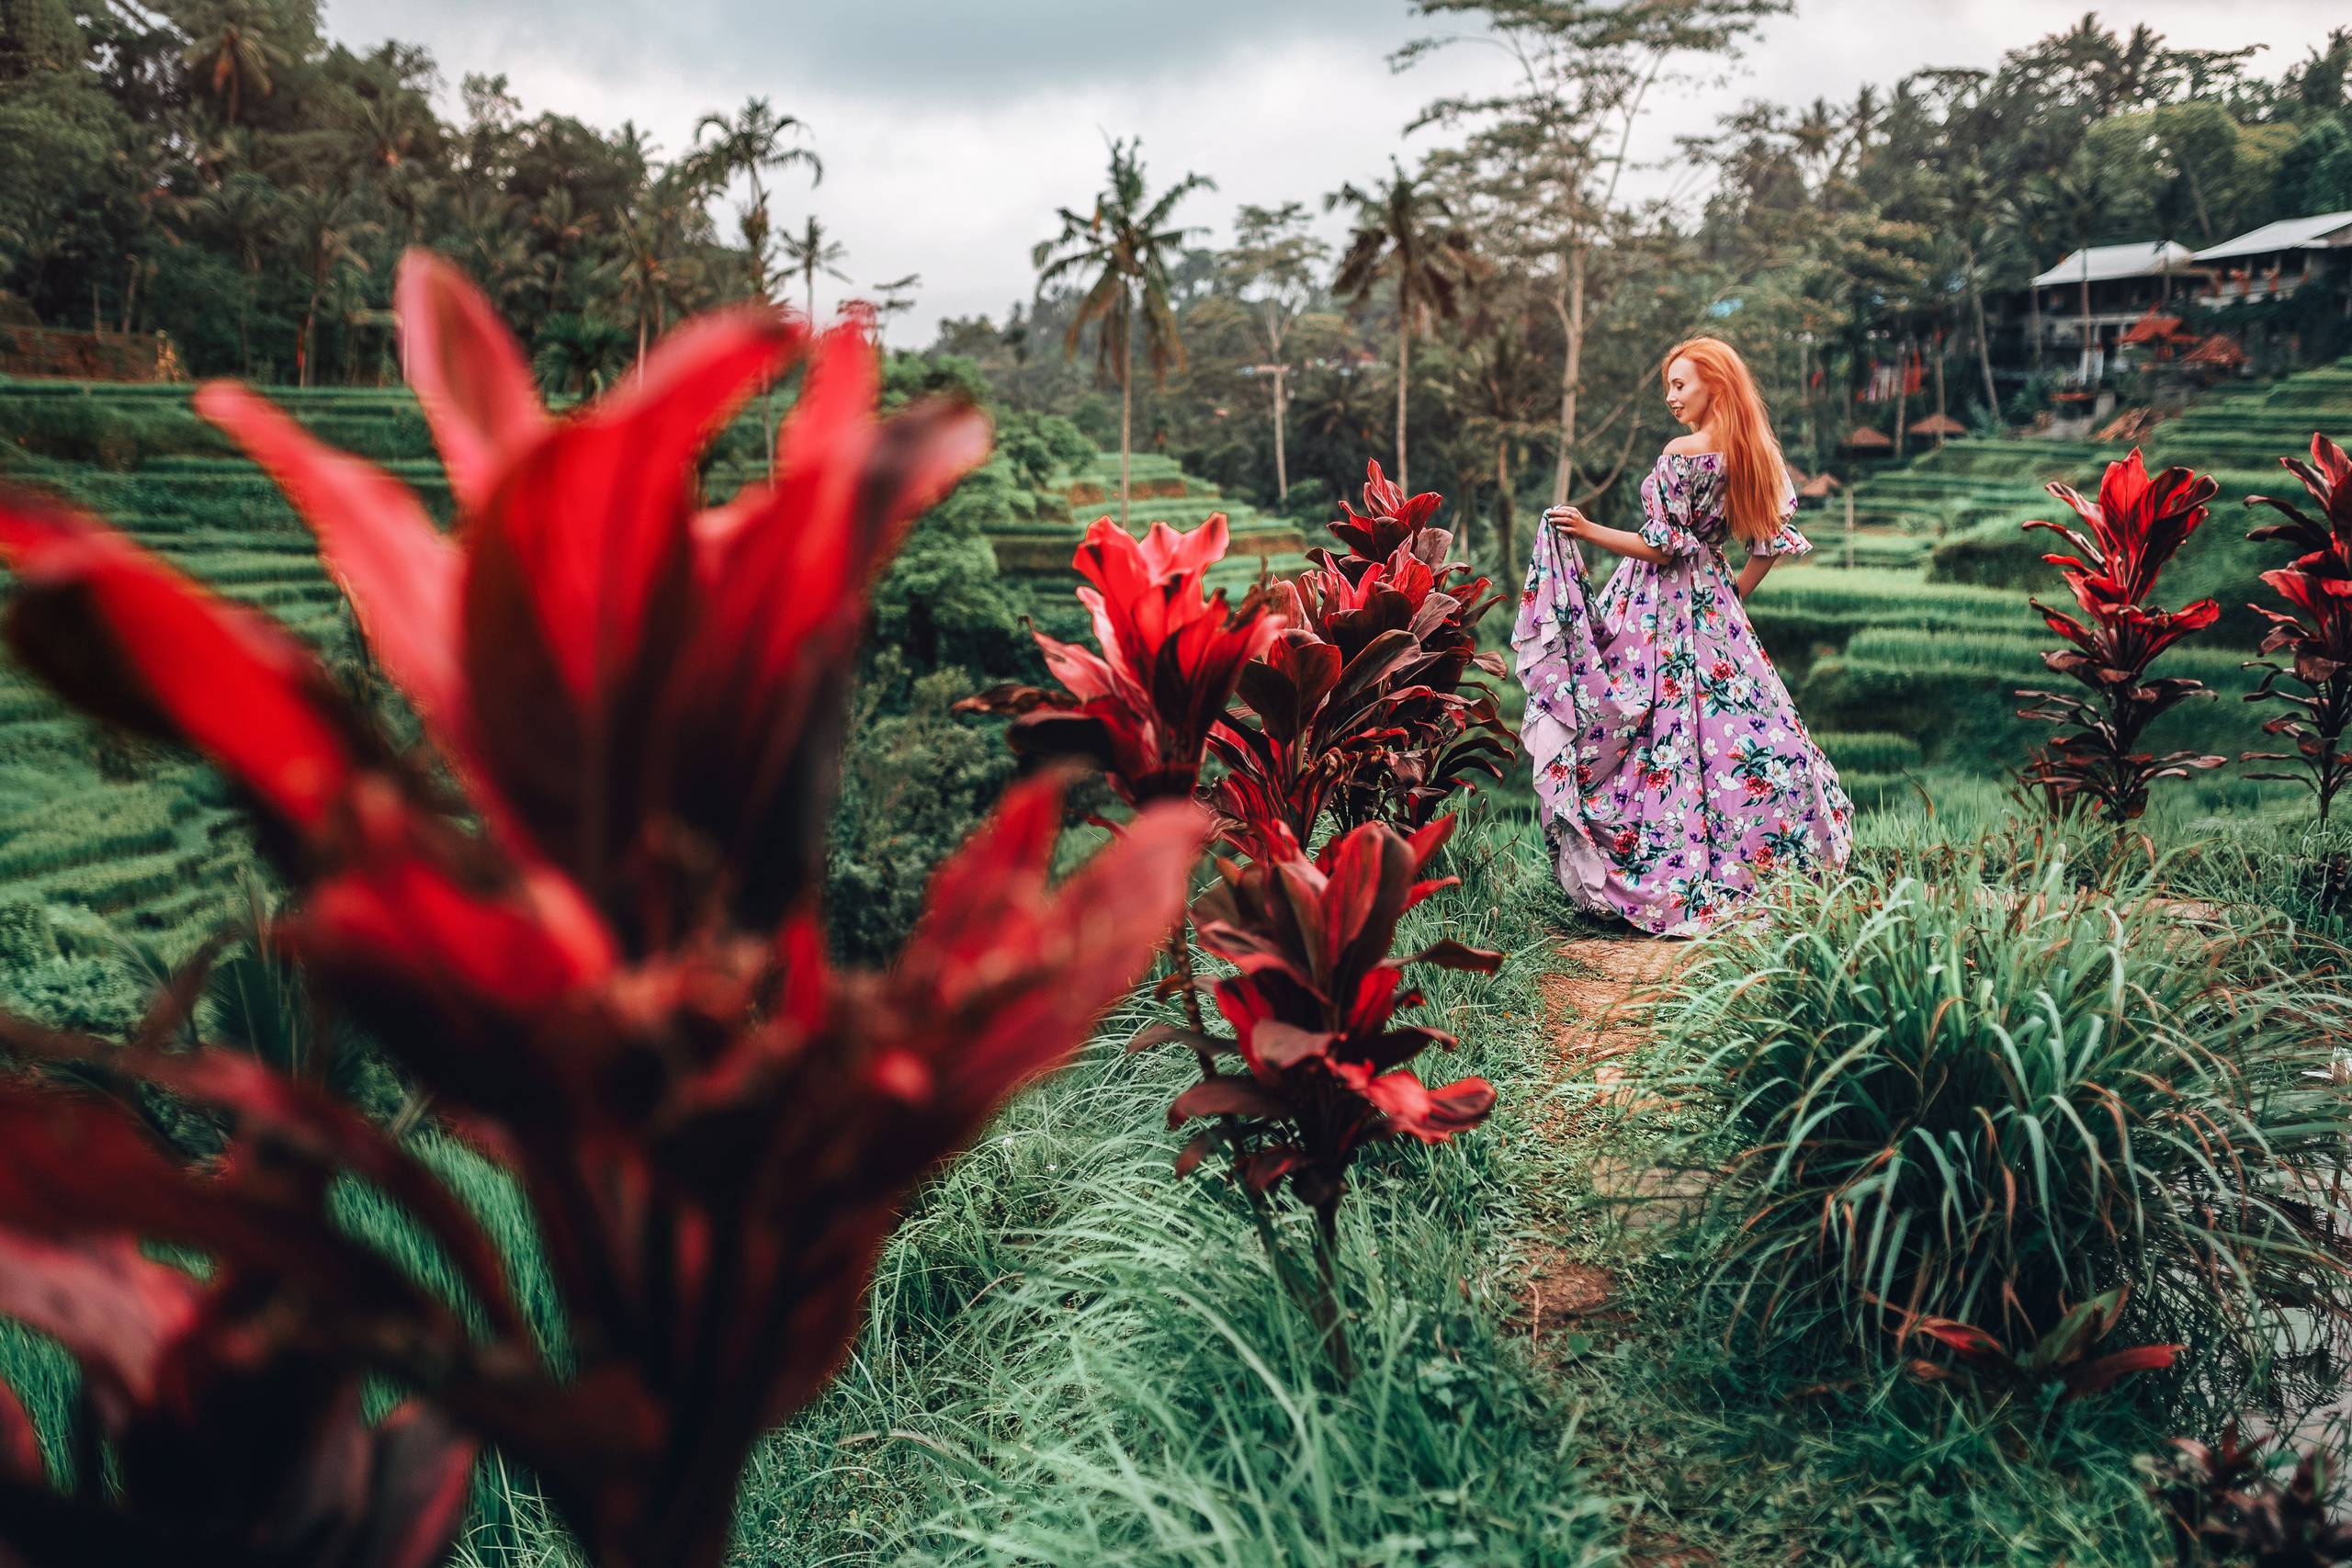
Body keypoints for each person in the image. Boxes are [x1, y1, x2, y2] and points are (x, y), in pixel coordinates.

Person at [1512, 336, 1852, 936]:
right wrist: (1728, 595)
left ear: (1714, 385)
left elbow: (1661, 546)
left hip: (1659, 606)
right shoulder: (1755, 453)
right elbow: (1768, 542)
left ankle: (1653, 866)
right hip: (1715, 608)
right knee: (1742, 726)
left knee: (1638, 722)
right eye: (1668, 385)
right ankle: (1768, 859)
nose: (1671, 397)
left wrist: (1589, 530)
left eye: (1680, 384)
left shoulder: (1683, 454)